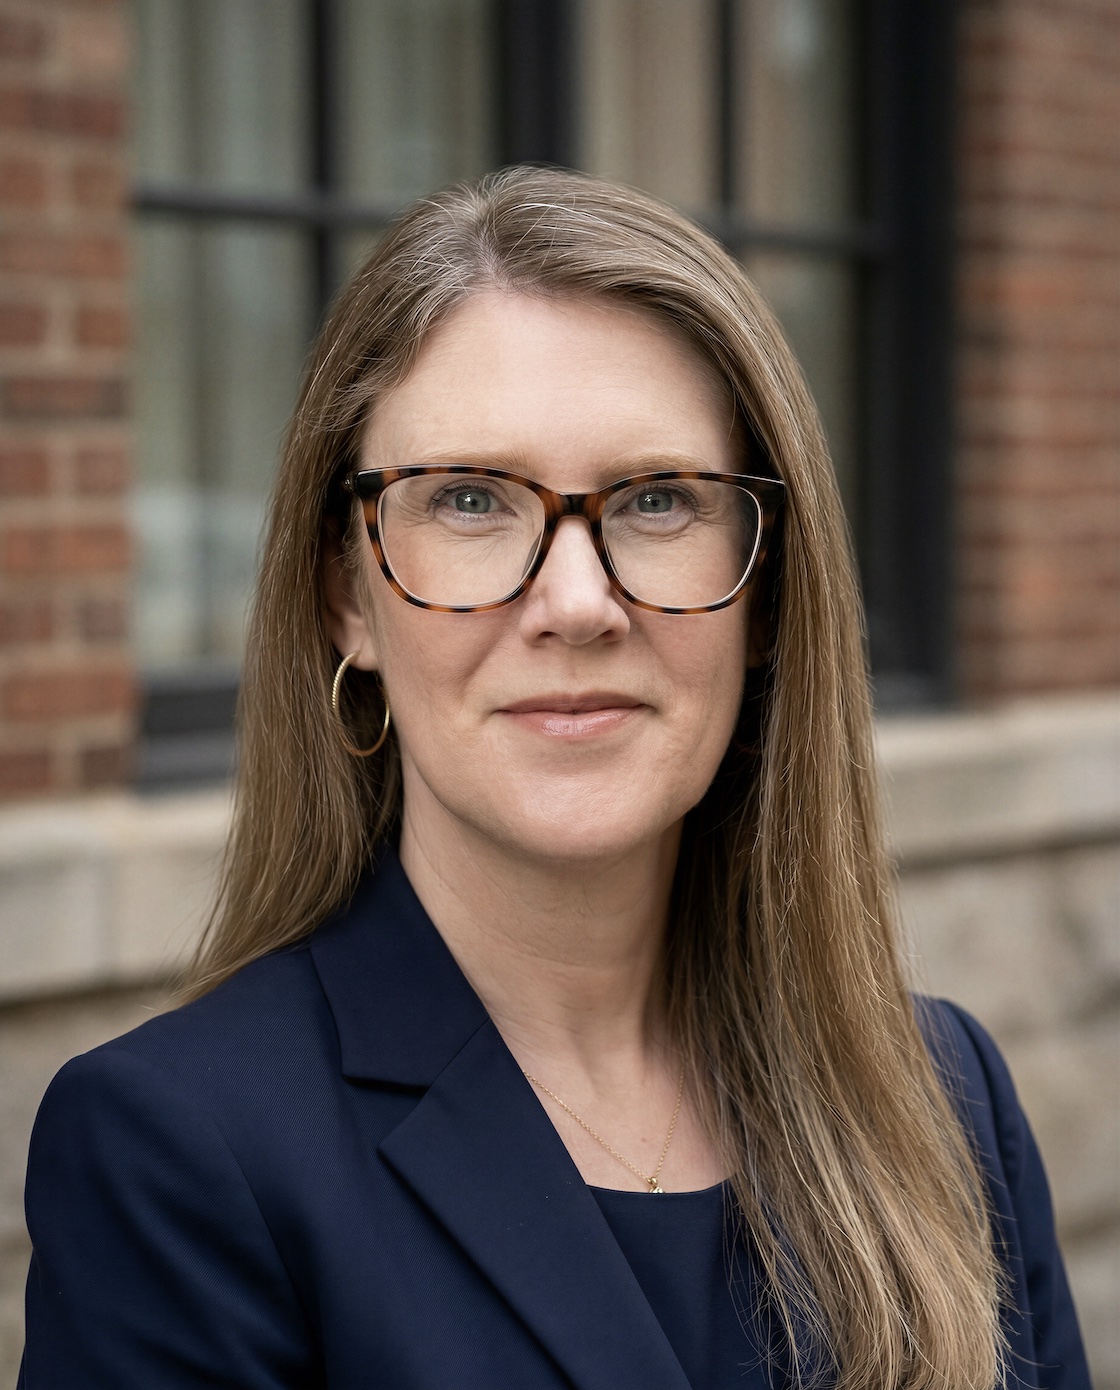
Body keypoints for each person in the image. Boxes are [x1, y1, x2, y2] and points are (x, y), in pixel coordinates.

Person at [19, 167, 1089, 1390]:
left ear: (764, 592)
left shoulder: (944, 1101)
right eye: (468, 499)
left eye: (657, 499)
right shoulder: (181, 1152)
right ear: (345, 596)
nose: (576, 603)